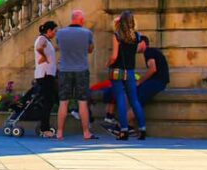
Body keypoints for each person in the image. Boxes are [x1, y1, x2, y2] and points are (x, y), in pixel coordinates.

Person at [100, 34, 168, 132]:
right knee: (132, 97)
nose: (135, 46)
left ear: (143, 43)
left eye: (137, 44)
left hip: (157, 82)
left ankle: (120, 126)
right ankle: (130, 126)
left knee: (136, 101)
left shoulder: (149, 52)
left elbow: (153, 69)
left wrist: (140, 81)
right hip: (157, 81)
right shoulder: (152, 52)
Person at [55, 9, 97, 140]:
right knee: (82, 102)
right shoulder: (87, 33)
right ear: (81, 20)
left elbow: (59, 46)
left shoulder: (60, 33)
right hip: (81, 70)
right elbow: (90, 49)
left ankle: (59, 132)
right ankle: (86, 132)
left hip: (65, 70)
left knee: (63, 102)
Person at [107, 11, 146, 140]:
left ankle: (123, 130)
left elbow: (114, 56)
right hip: (130, 71)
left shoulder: (117, 36)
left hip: (117, 70)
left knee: (120, 99)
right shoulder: (137, 36)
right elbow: (138, 49)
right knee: (134, 100)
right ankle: (142, 129)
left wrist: (108, 63)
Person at [34, 21, 58, 138]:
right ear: (49, 31)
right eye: (54, 31)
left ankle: (45, 127)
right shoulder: (42, 39)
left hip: (48, 74)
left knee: (50, 100)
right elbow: (39, 47)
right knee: (48, 101)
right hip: (45, 75)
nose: (55, 33)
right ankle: (45, 129)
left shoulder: (46, 40)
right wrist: (44, 56)